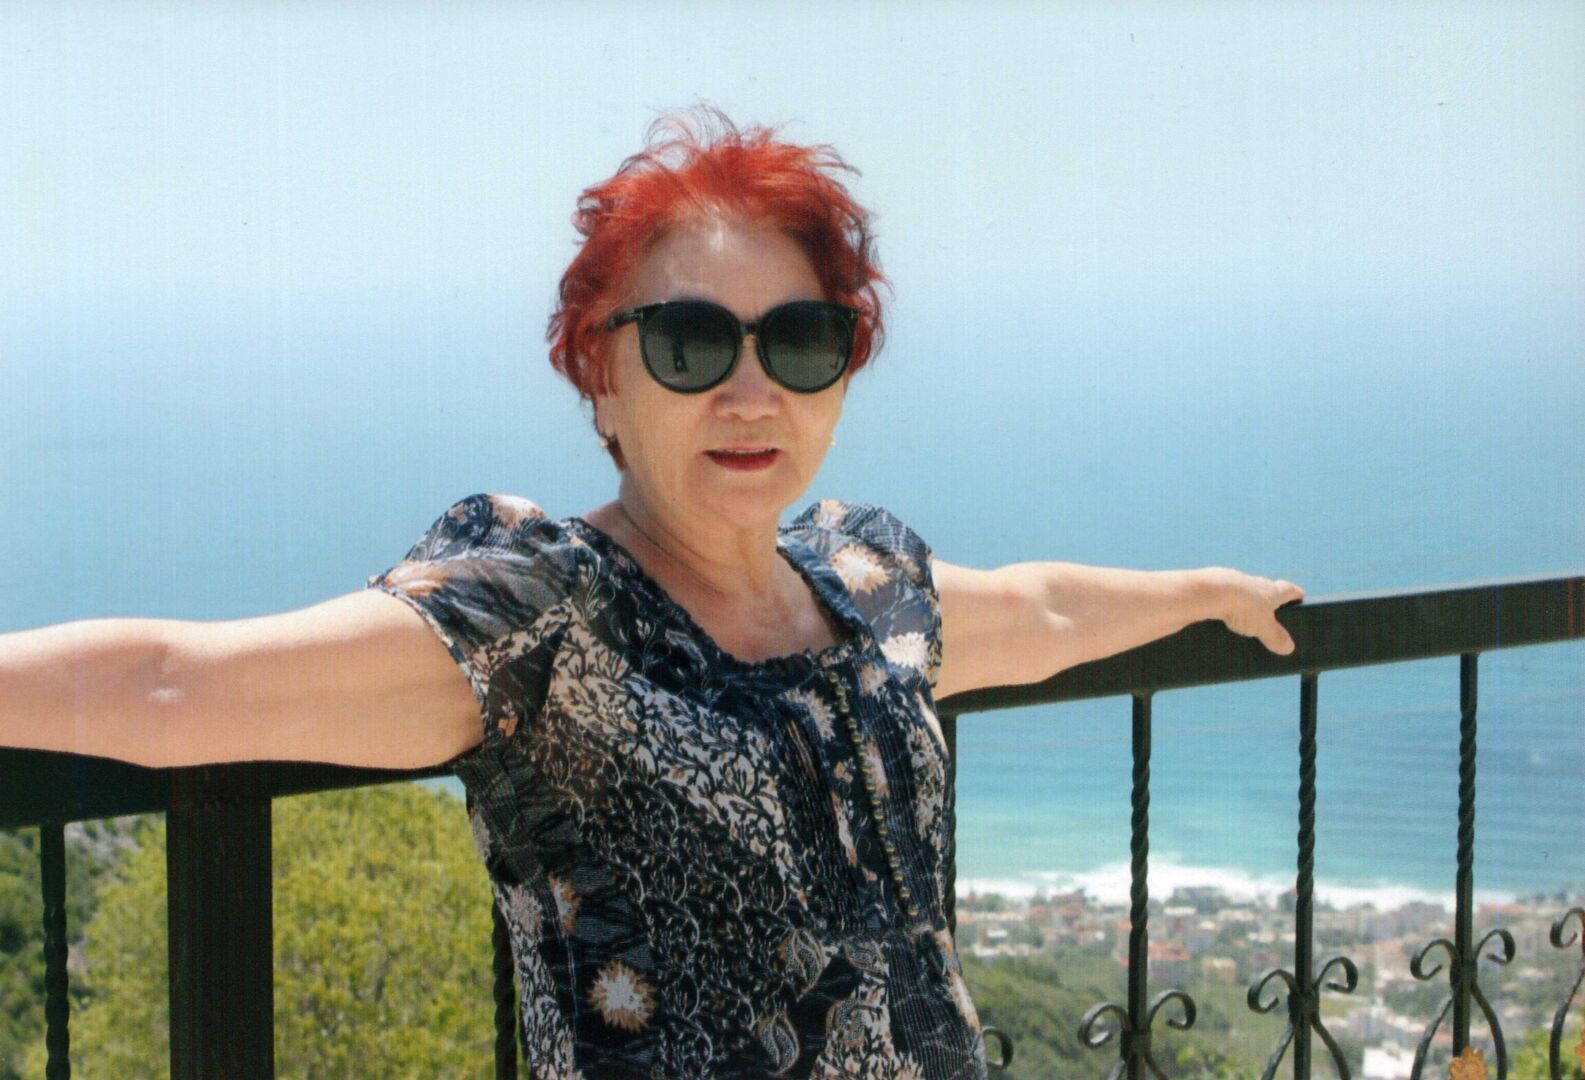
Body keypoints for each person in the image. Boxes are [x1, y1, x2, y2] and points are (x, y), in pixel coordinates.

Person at [0, 107, 1303, 1079]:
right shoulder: (547, 617)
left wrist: (1203, 592)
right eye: (690, 343)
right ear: (599, 375)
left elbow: (1044, 612)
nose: (751, 393)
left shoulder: (868, 585)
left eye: (800, 341)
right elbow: (172, 685)